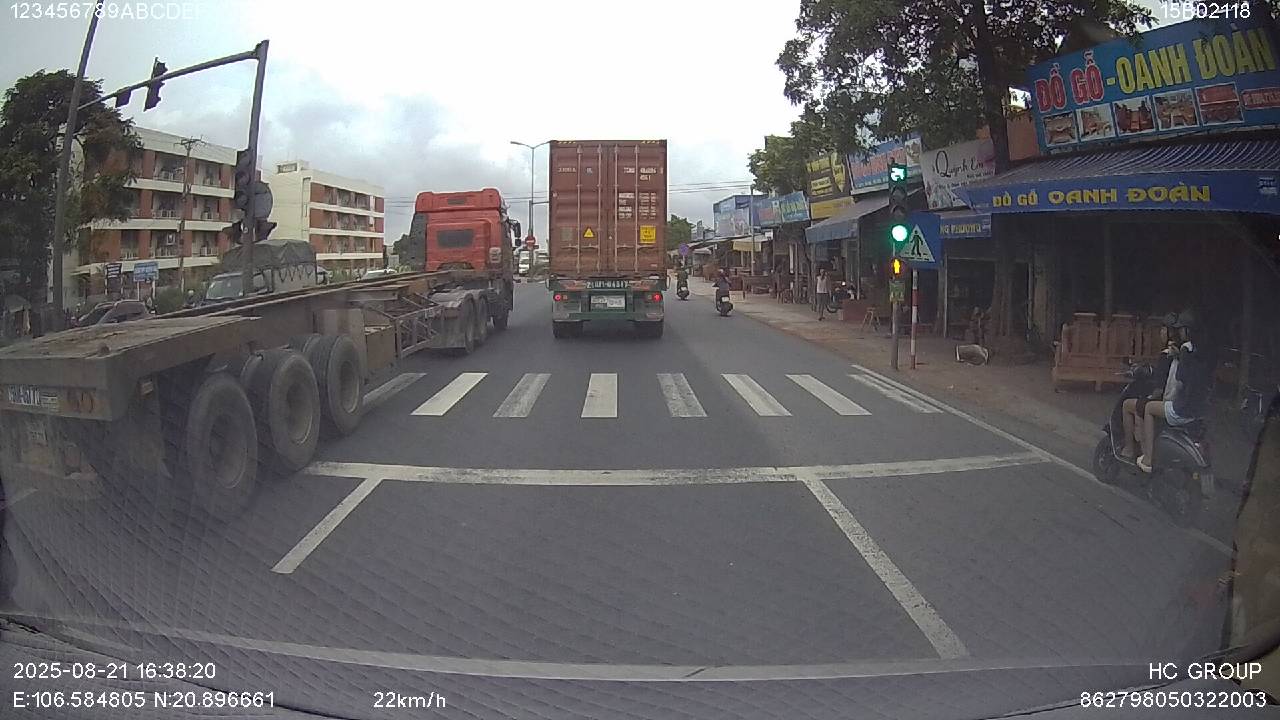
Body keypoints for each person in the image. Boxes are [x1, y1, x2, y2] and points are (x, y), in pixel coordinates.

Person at [1137, 310, 1213, 473]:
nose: (1179, 332)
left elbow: (1181, 377)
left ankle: (1148, 458)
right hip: (1198, 410)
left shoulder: (1186, 348)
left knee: (1149, 408)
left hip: (1183, 408)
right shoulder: (1202, 349)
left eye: (1181, 329)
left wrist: (1179, 358)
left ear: (1187, 330)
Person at [1120, 313, 1182, 460]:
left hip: (1166, 402)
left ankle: (1131, 450)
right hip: (1178, 401)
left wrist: (1149, 397)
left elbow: (1160, 388)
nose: (1161, 332)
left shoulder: (1167, 355)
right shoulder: (1184, 352)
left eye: (1163, 329)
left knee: (1128, 405)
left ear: (1170, 332)